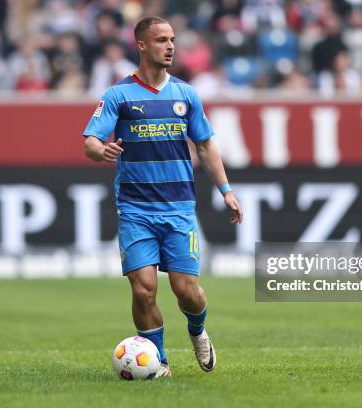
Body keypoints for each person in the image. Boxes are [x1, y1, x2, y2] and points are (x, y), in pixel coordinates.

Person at [82, 16, 243, 378]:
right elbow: (91, 141)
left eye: (172, 39)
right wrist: (100, 150)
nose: (170, 46)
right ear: (141, 45)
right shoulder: (118, 96)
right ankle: (158, 362)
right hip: (136, 210)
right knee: (144, 291)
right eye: (161, 40)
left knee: (188, 293)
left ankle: (198, 330)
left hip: (179, 210)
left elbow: (205, 145)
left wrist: (227, 191)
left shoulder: (186, 94)